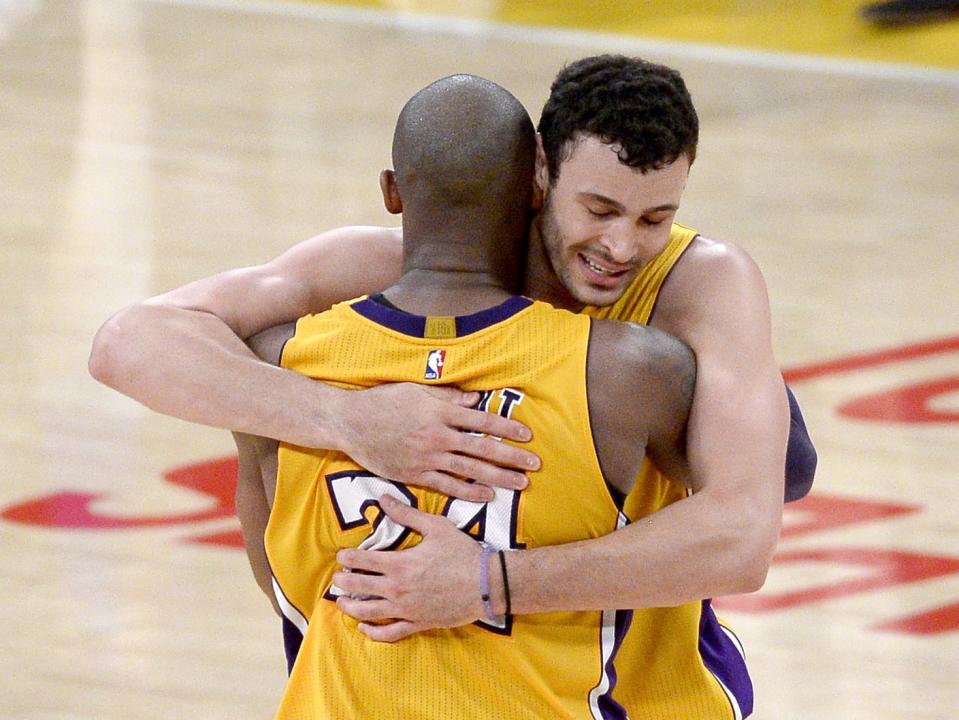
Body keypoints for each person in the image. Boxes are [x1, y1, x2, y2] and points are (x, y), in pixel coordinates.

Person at [90, 55, 811, 717]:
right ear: (537, 174)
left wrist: (485, 583)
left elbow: (743, 537)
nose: (621, 248)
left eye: (655, 218)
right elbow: (128, 341)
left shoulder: (695, 283)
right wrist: (346, 418)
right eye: (598, 210)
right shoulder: (375, 268)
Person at [251, 73, 709, 719]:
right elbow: (769, 488)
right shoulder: (631, 372)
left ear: (391, 192)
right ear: (536, 187)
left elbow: (285, 591)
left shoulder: (279, 360)